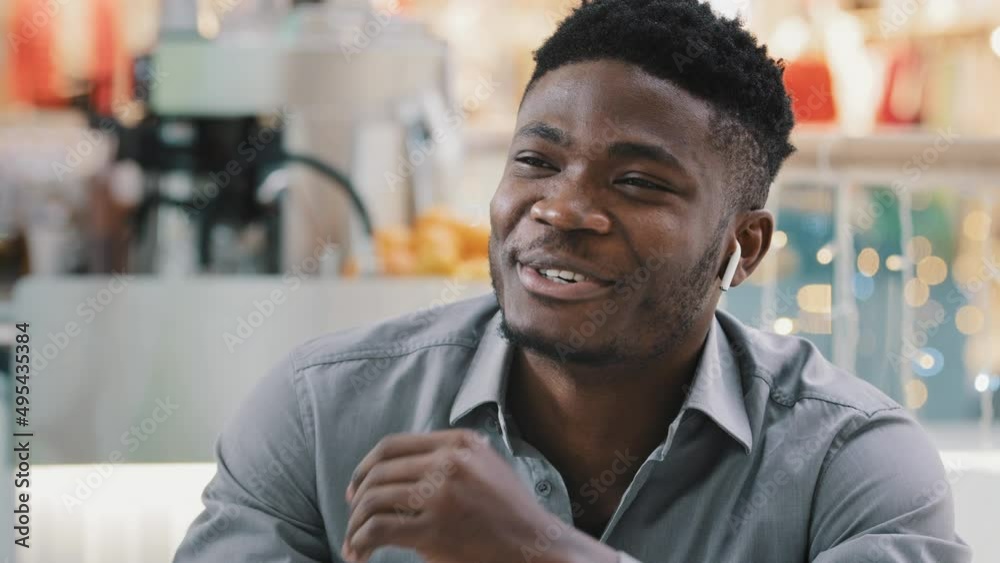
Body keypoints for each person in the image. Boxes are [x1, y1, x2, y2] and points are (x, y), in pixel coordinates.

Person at [174, 1, 971, 561]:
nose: (561, 208)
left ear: (745, 244)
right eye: (537, 160)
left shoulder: (850, 460)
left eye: (638, 182)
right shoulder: (324, 412)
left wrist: (536, 551)